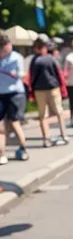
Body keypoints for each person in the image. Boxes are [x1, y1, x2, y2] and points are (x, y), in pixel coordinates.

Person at [29, 39, 69, 147]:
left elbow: (32, 77)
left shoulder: (34, 60)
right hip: (53, 87)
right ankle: (63, 135)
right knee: (59, 112)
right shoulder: (51, 59)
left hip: (39, 89)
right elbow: (58, 74)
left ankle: (46, 138)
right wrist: (63, 88)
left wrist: (31, 92)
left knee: (43, 115)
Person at [0, 33, 29, 163]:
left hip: (15, 93)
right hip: (1, 93)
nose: (8, 49)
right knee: (0, 125)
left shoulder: (16, 57)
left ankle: (23, 148)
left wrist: (15, 74)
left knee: (14, 121)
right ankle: (1, 154)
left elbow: (23, 74)